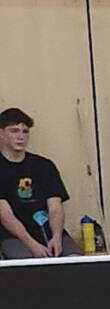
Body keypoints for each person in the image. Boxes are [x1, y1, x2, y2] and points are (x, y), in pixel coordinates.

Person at [0, 108, 79, 260]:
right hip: (13, 236)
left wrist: (57, 237)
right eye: (14, 131)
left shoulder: (44, 165)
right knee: (25, 265)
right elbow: (5, 215)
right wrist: (32, 245)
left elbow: (55, 207)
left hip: (48, 232)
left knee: (76, 260)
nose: (21, 137)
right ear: (1, 133)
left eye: (25, 131)